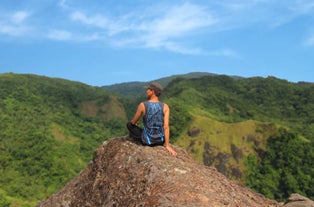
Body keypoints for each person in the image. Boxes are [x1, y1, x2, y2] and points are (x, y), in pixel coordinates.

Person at [127, 82, 177, 157]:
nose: (146, 91)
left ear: (152, 91)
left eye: (148, 90)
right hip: (160, 141)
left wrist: (134, 123)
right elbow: (166, 126)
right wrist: (167, 145)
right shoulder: (165, 106)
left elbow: (133, 122)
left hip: (147, 141)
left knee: (129, 125)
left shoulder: (142, 105)